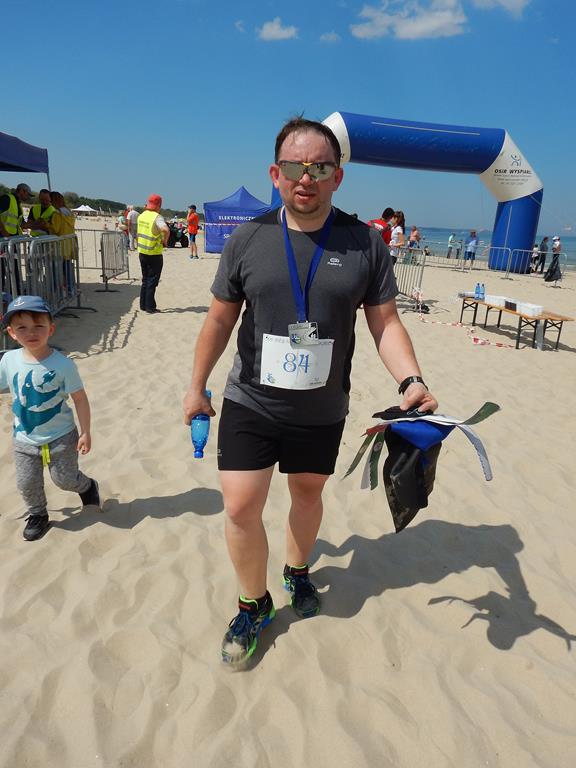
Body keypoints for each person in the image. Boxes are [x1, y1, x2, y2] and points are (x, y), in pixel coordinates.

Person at [182, 117, 438, 665]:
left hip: (322, 408)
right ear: (275, 173)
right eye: (295, 166)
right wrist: (196, 387)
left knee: (306, 494)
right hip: (251, 399)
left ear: (337, 177)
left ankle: (297, 571)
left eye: (320, 167)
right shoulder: (248, 239)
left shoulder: (365, 243)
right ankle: (253, 604)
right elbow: (220, 320)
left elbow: (386, 323)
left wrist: (411, 378)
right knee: (240, 506)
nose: (307, 177)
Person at [0, 295, 100, 541]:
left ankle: (88, 486)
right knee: (26, 483)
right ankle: (38, 514)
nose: (31, 333)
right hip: (24, 437)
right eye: (22, 327)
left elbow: (79, 398)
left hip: (61, 435)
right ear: (11, 333)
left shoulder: (63, 365)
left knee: (64, 480)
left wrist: (85, 431)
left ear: (51, 329)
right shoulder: (8, 360)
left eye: (38, 326)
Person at [137, 194, 169, 314]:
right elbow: (165, 229)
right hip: (154, 253)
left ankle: (143, 305)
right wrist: (165, 241)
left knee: (145, 279)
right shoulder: (157, 217)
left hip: (142, 251)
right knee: (152, 281)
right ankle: (150, 306)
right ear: (159, 205)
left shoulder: (141, 215)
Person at [49, 192, 77, 295]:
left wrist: (47, 225)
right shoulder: (69, 212)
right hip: (68, 244)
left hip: (59, 246)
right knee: (68, 268)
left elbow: (55, 229)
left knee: (56, 270)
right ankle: (70, 289)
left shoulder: (57, 213)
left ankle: (57, 291)